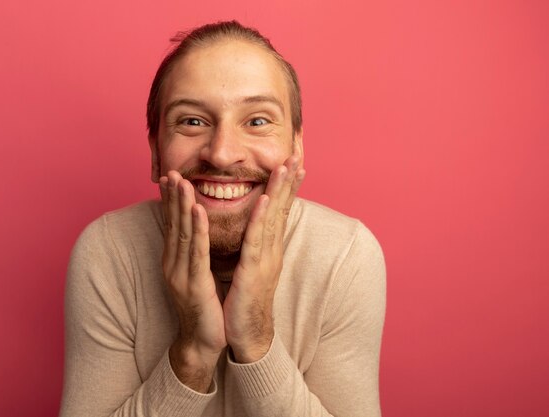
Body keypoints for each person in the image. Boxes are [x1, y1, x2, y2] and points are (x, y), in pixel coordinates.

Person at [59, 20, 386, 417]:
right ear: (156, 153)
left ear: (296, 145)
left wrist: (256, 337)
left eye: (257, 121)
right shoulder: (109, 252)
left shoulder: (346, 257)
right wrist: (192, 354)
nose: (222, 153)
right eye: (192, 121)